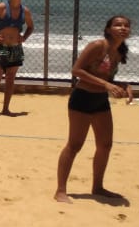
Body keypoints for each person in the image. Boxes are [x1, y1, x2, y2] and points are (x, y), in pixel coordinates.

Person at [54, 15, 132, 204]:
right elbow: (77, 71)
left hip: (100, 100)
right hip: (83, 98)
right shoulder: (98, 45)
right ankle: (60, 190)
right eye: (118, 25)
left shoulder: (119, 51)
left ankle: (97, 186)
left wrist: (122, 85)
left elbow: (106, 77)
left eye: (126, 25)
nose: (123, 28)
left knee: (105, 145)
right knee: (74, 145)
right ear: (108, 29)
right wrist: (106, 85)